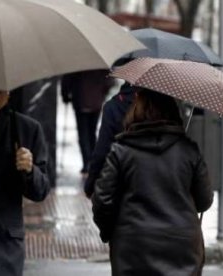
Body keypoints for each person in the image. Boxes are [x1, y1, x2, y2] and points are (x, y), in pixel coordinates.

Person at [91, 88, 213, 276]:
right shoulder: (188, 150)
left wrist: (110, 232)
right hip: (182, 246)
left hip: (132, 246)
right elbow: (204, 200)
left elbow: (102, 200)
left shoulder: (121, 151)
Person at [0, 89, 50, 276]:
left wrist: (29, 170)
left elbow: (40, 190)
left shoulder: (26, 128)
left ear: (8, 93)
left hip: (5, 239)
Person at [84, 82, 134, 198]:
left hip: (124, 186)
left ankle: (85, 158)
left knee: (85, 133)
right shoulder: (167, 106)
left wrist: (91, 183)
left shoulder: (115, 106)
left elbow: (103, 150)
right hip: (163, 195)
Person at [61, 70, 114, 176]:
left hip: (80, 100)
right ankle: (93, 162)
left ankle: (86, 163)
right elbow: (110, 82)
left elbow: (67, 80)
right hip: (96, 101)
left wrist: (65, 95)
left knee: (83, 134)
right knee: (92, 132)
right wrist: (101, 93)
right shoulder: (101, 64)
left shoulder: (77, 62)